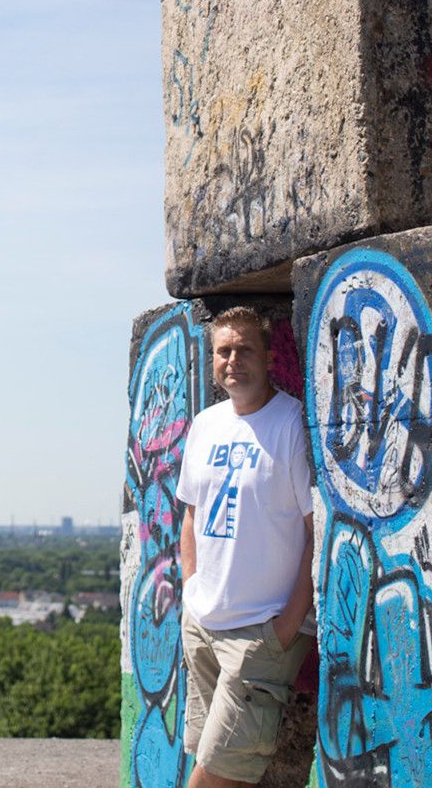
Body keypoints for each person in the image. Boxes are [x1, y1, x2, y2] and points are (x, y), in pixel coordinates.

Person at [174, 305, 314, 787]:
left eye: (245, 349)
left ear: (269, 355)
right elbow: (190, 514)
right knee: (212, 759)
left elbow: (316, 531)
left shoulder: (291, 424)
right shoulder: (205, 424)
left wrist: (286, 628)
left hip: (259, 634)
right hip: (203, 623)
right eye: (223, 351)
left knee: (213, 776)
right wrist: (191, 591)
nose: (232, 360)